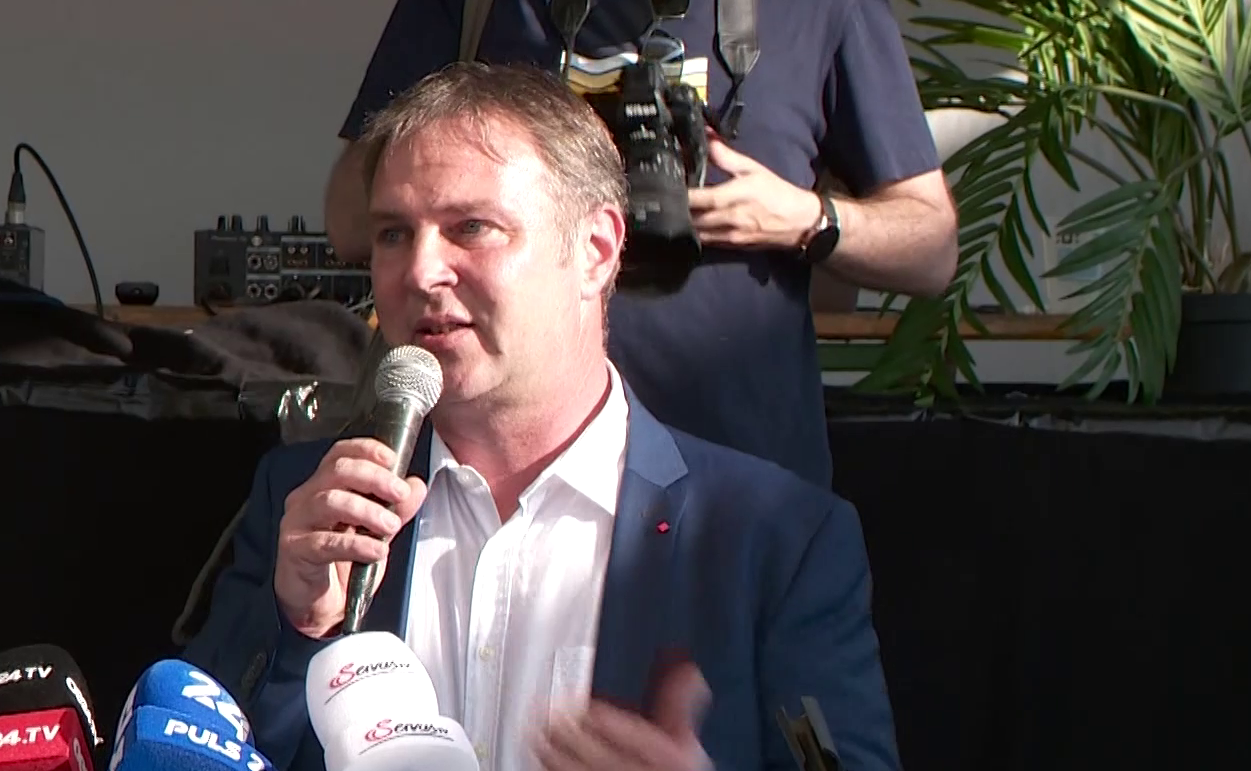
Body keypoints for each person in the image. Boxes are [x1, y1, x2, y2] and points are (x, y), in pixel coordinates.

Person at [183, 64, 901, 771]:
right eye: (394, 234)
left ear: (595, 251)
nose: (421, 271)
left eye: (472, 226)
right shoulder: (308, 502)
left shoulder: (777, 539)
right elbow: (191, 746)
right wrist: (300, 630)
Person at [324, 0, 958, 488]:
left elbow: (931, 248)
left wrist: (802, 218)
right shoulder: (480, 9)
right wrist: (502, 167)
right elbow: (350, 220)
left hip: (741, 479)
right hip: (489, 476)